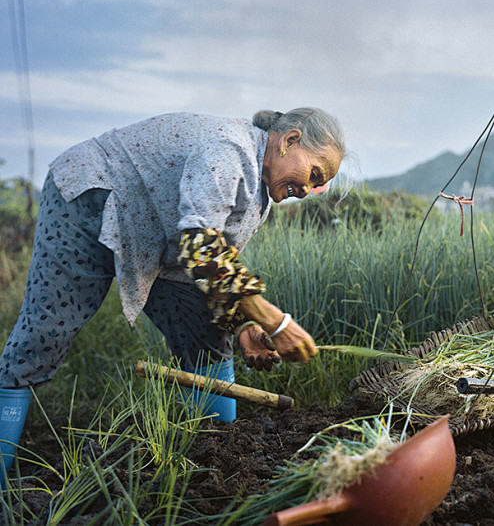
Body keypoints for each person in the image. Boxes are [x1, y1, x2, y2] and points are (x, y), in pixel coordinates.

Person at [0, 107, 344, 485]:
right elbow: (200, 245)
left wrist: (244, 323)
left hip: (160, 236)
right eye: (314, 174)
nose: (309, 191)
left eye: (318, 185)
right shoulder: (230, 150)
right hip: (90, 198)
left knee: (208, 334)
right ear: (290, 141)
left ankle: (217, 470)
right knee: (45, 334)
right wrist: (276, 322)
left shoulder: (259, 194)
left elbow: (213, 266)